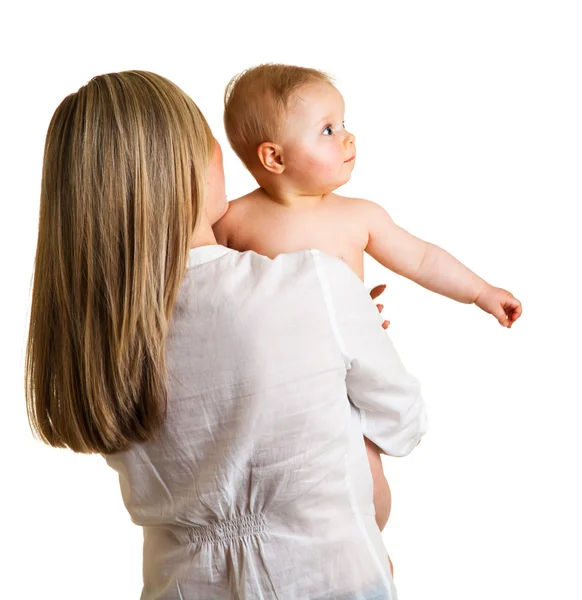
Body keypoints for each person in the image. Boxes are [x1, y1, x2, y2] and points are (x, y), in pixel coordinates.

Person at [25, 70, 426, 599]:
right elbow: (404, 423)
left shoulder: (101, 339)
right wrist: (344, 333)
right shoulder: (313, 283)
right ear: (190, 167)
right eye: (207, 136)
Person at [217, 62, 523, 537]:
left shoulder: (357, 216)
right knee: (274, 475)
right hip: (269, 380)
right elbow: (203, 289)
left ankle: (365, 551)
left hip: (343, 376)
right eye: (327, 129)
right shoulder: (234, 222)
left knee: (367, 479)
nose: (348, 138)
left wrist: (481, 292)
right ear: (273, 158)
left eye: (342, 124)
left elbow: (421, 259)